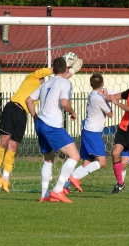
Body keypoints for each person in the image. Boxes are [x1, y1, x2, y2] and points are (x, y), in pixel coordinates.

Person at [0, 55, 82, 193]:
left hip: (24, 114)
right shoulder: (33, 77)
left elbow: (58, 81)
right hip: (13, 107)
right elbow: (52, 73)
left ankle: (5, 178)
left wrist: (71, 71)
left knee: (13, 145)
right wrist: (64, 63)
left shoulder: (44, 86)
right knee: (4, 140)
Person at [25, 57, 81, 203]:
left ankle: (44, 195)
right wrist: (72, 112)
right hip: (52, 125)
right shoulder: (65, 83)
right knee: (74, 156)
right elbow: (64, 102)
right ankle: (57, 191)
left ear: (54, 69)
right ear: (66, 69)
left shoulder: (46, 83)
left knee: (49, 160)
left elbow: (28, 100)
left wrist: (35, 117)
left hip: (41, 124)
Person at [64, 73, 112, 192]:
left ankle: (64, 186)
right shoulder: (99, 97)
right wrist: (107, 98)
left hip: (87, 131)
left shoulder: (92, 94)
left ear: (90, 85)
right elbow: (110, 114)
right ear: (102, 83)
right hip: (93, 133)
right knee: (102, 162)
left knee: (87, 162)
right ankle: (75, 177)